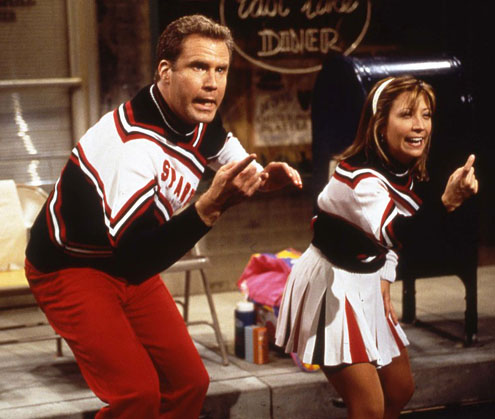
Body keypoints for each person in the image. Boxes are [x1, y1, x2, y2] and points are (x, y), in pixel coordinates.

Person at [25, 14, 301, 419]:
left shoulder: (193, 112)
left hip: (126, 258)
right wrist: (208, 208)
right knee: (136, 395)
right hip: (70, 267)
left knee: (190, 382)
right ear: (165, 72)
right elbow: (137, 261)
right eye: (199, 67)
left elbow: (222, 147)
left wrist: (258, 177)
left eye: (221, 69)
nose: (212, 83)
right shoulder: (132, 149)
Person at [275, 75, 478, 419]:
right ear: (380, 124)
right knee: (368, 407)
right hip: (331, 287)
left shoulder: (404, 168)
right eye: (407, 115)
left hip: (366, 279)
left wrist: (384, 276)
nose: (420, 125)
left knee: (399, 389)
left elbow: (393, 238)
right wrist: (447, 202)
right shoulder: (362, 178)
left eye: (426, 115)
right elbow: (398, 232)